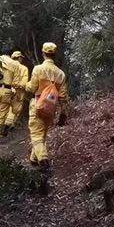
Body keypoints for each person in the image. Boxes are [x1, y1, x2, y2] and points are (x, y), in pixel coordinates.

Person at [25, 42, 68, 170]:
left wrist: (24, 85)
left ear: (43, 53)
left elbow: (32, 88)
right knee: (42, 134)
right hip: (51, 108)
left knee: (36, 134)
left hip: (38, 105)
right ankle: (34, 159)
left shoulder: (38, 69)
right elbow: (63, 96)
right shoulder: (61, 74)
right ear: (54, 55)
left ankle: (43, 159)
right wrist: (63, 113)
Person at [3, 51, 29, 136]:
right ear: (20, 58)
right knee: (15, 110)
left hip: (6, 89)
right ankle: (8, 125)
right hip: (18, 91)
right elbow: (24, 82)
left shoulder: (7, 66)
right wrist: (19, 86)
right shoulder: (24, 68)